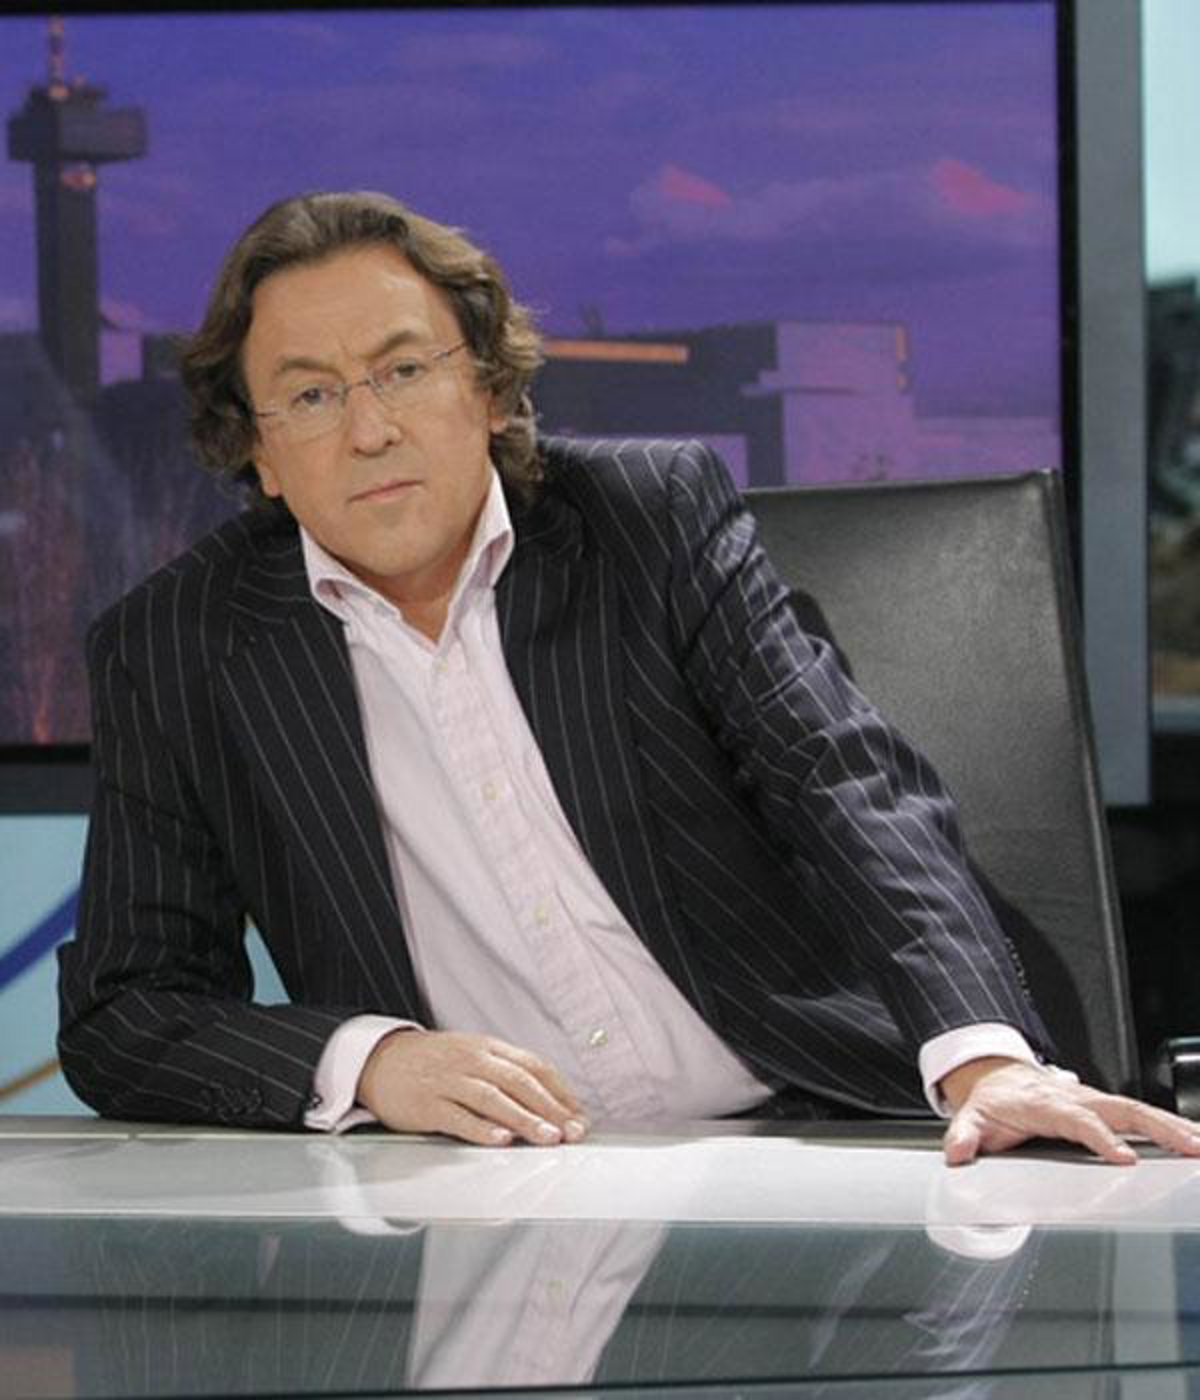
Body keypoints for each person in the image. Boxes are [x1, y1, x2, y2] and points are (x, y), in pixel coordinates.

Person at [58, 190, 1200, 1166]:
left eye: (403, 370)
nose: (369, 431)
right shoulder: (176, 646)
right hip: (476, 1195)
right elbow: (126, 1009)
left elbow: (843, 785)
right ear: (258, 450)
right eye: (310, 395)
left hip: (808, 1135)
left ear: (489, 388)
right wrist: (371, 1062)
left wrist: (987, 1062)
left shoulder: (647, 520)